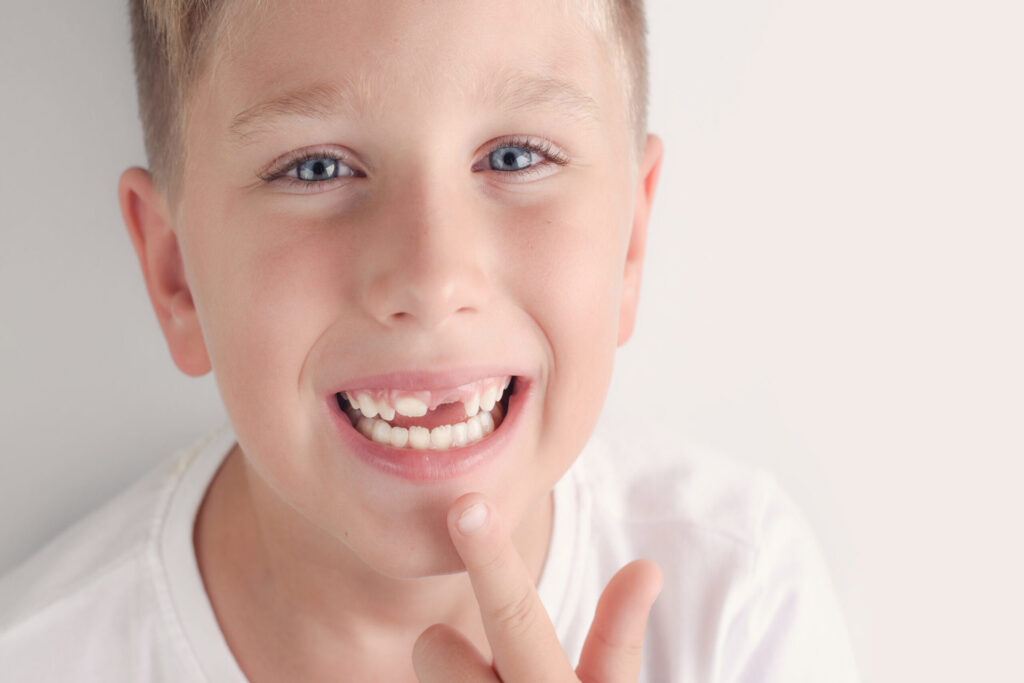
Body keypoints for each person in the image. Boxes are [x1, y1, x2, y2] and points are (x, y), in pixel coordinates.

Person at [0, 0, 860, 680]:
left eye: (516, 157)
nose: (432, 277)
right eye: (317, 168)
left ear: (629, 245)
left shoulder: (739, 601)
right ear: (176, 275)